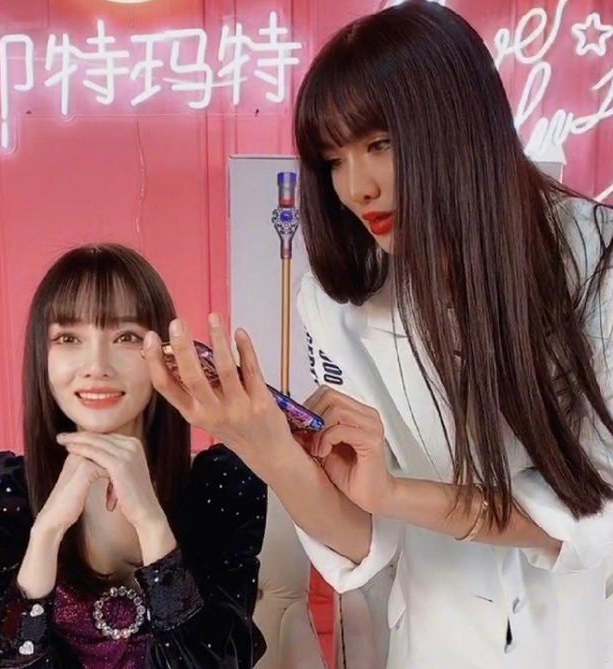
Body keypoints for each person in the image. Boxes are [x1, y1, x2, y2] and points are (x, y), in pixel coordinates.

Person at [142, 3, 613, 668]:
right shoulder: (339, 301)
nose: (355, 187)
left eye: (379, 145)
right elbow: (367, 544)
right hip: (436, 646)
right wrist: (267, 445)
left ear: (459, 122)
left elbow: (595, 511)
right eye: (333, 159)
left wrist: (399, 494)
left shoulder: (597, 262)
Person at [0, 244, 266, 668]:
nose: (96, 365)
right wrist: (45, 535)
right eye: (68, 338)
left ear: (163, 354)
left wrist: (152, 525)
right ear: (42, 356)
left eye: (126, 337)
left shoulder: (221, 485)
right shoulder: (0, 494)